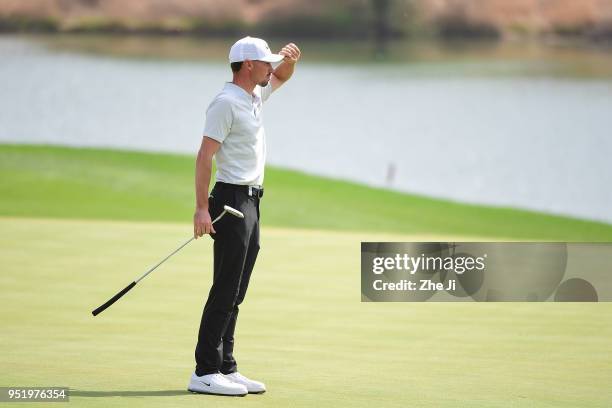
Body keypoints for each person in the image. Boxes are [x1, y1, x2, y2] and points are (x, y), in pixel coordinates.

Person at [188, 36, 301, 397]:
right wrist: (202, 207)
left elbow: (282, 78)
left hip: (251, 200)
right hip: (229, 200)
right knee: (225, 287)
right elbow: (205, 156)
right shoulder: (225, 103)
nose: (272, 67)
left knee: (237, 290)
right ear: (248, 65)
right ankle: (204, 371)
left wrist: (289, 60)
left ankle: (226, 366)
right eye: (266, 62)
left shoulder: (252, 95)